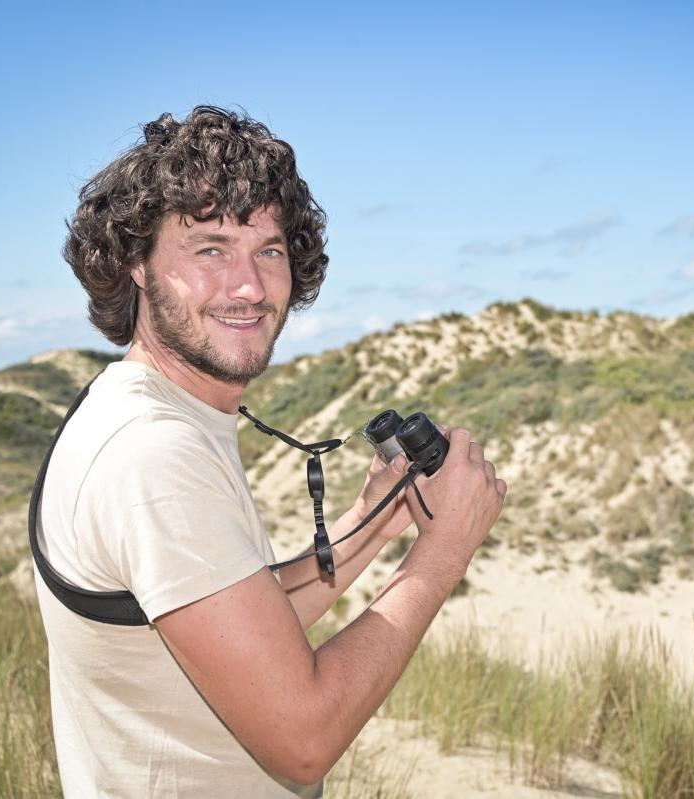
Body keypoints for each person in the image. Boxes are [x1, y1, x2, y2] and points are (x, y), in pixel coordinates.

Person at [36, 105, 507, 797]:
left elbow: (241, 624)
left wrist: (372, 521)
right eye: (210, 249)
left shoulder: (138, 406)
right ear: (136, 263)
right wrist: (443, 555)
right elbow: (304, 739)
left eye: (269, 250)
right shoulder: (153, 454)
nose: (250, 286)